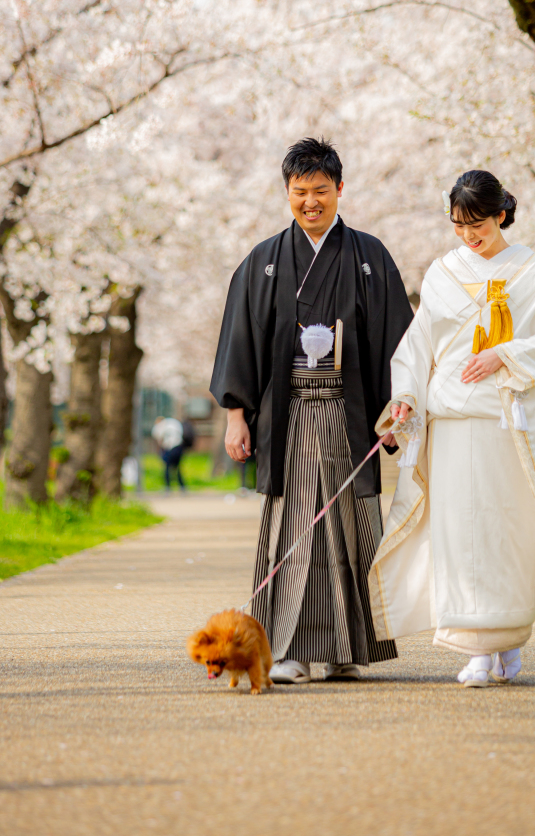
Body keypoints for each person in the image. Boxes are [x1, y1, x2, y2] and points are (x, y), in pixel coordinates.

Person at [210, 137, 414, 684]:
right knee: (292, 527)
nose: (311, 203)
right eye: (300, 192)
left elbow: (398, 340)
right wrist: (236, 415)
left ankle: (348, 649)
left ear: (340, 189)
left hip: (351, 416)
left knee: (350, 525)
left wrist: (396, 407)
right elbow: (241, 339)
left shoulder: (369, 256)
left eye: (321, 191)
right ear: (287, 193)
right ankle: (287, 651)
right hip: (290, 415)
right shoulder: (265, 261)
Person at [369, 170, 535, 687]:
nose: (469, 235)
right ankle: (476, 650)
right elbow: (419, 346)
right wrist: (404, 398)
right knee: (457, 533)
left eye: (478, 224)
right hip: (453, 422)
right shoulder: (443, 271)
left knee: (506, 531)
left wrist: (504, 355)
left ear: (501, 214)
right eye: (460, 225)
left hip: (510, 424)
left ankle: (507, 641)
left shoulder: (534, 270)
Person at [152, 415, 186, 491]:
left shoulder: (160, 426)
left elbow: (159, 440)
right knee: (177, 468)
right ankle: (182, 486)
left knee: (167, 467)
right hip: (178, 447)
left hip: (169, 448)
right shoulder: (173, 423)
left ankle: (168, 487)